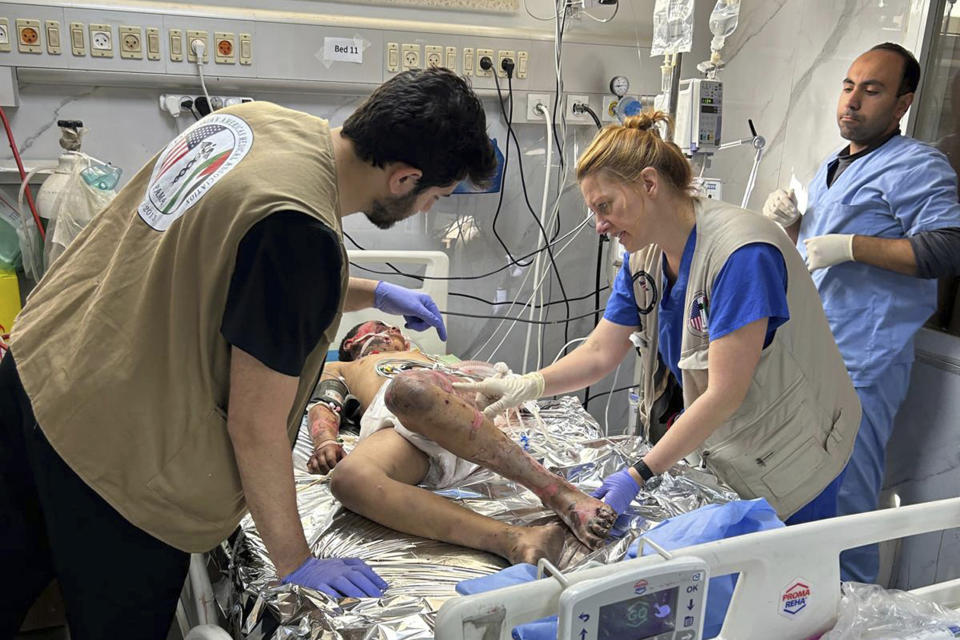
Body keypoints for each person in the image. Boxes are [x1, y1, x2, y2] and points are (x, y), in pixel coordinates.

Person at [0, 67, 497, 637]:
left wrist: (371, 290)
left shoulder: (251, 122)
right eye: (434, 195)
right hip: (114, 461)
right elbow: (256, 426)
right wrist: (296, 561)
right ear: (404, 179)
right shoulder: (300, 235)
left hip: (37, 370)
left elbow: (216, 262)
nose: (428, 208)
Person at [456, 111, 862, 535]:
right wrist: (530, 385)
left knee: (788, 585)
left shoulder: (742, 256)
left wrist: (638, 474)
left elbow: (724, 393)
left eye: (604, 206)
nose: (599, 225)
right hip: (726, 447)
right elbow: (600, 352)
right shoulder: (644, 258)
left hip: (791, 455)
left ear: (649, 184)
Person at [762, 43, 960, 583]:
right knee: (804, 496)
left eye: (872, 90)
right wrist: (794, 229)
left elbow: (946, 248)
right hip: (815, 356)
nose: (853, 101)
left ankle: (857, 611)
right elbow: (820, 260)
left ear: (902, 104)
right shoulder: (835, 163)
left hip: (864, 363)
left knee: (847, 502)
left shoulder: (917, 164)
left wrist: (852, 245)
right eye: (849, 86)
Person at [304, 320, 616, 563]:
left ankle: (560, 493)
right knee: (347, 480)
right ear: (350, 343)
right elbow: (324, 403)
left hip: (460, 412)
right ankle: (515, 539)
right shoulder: (342, 366)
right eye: (382, 328)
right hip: (401, 429)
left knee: (409, 389)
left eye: (395, 329)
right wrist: (324, 441)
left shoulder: (427, 357)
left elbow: (492, 379)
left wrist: (505, 392)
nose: (394, 330)